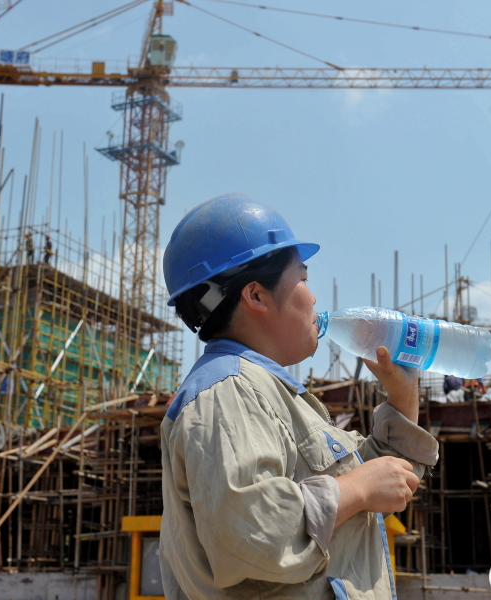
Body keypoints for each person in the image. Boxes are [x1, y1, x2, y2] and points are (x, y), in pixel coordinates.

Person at [160, 193, 439, 599]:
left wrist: (402, 397)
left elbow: (374, 485)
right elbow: (251, 533)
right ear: (256, 296)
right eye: (304, 279)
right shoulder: (226, 392)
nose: (313, 297)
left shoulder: (265, 392)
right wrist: (356, 489)